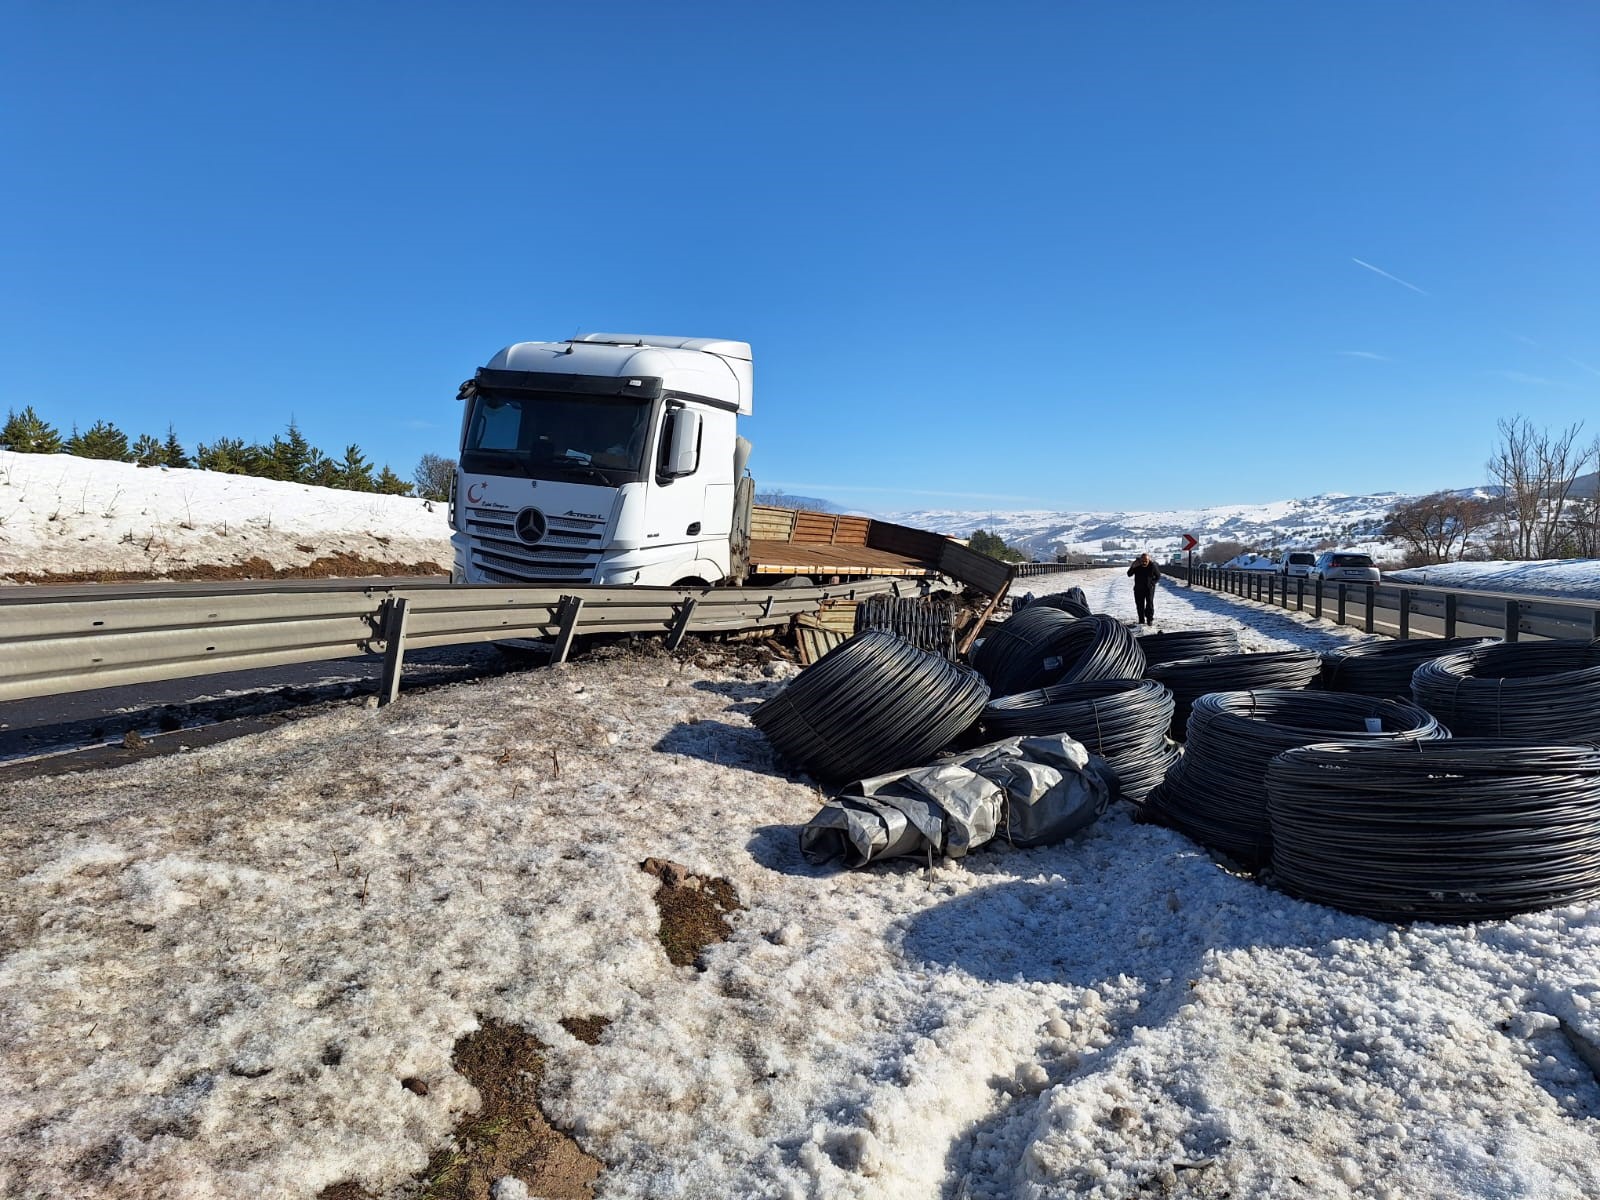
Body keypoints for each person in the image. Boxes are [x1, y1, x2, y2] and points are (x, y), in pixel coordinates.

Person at [1127, 552, 1161, 625]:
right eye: (1142, 561)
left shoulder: (1152, 565)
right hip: (1138, 588)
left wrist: (1152, 583)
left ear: (1149, 560)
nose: (1144, 563)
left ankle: (1149, 619)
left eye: (1146, 561)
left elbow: (1158, 576)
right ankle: (1141, 620)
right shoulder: (1136, 565)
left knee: (1149, 604)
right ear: (1140, 561)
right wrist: (1132, 567)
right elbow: (1129, 574)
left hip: (1149, 588)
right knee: (1139, 605)